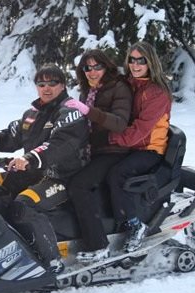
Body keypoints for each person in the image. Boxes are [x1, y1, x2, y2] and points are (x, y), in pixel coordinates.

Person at [0, 64, 89, 273]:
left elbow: (60, 144)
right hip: (35, 172)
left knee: (24, 205)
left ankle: (51, 261)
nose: (46, 88)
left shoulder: (71, 111)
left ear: (63, 85)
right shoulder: (33, 113)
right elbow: (12, 135)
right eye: (41, 83)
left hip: (62, 176)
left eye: (53, 83)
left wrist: (31, 157)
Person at [64, 49, 133, 263]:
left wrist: (87, 111)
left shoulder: (118, 87)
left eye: (97, 67)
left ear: (106, 67)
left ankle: (99, 245)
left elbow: (119, 123)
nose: (92, 72)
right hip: (94, 150)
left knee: (80, 185)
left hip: (115, 150)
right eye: (87, 68)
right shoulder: (89, 91)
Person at [106, 41, 172, 253]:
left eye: (140, 61)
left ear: (150, 62)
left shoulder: (157, 93)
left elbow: (141, 129)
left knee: (117, 173)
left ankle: (135, 225)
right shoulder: (130, 84)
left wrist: (111, 139)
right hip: (132, 145)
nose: (135, 65)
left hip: (149, 149)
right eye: (132, 60)